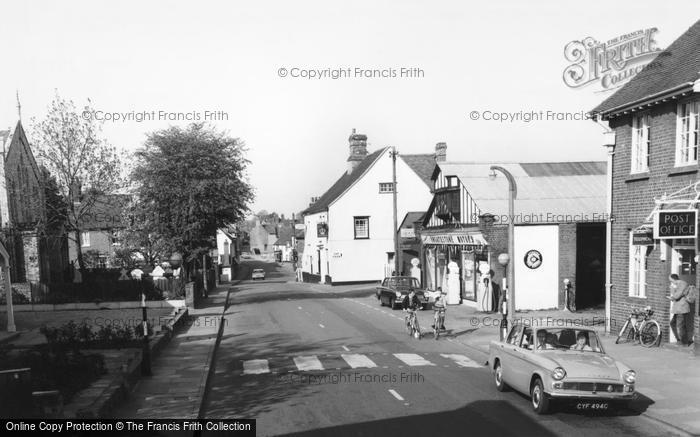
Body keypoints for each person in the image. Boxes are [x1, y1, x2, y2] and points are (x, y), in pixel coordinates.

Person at [668, 274, 692, 346]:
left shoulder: (682, 284)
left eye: (671, 281)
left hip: (681, 308)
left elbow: (677, 296)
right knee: (673, 323)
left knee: (680, 326)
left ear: (673, 279)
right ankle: (680, 339)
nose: (671, 282)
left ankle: (684, 342)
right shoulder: (678, 284)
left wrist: (672, 290)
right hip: (678, 309)